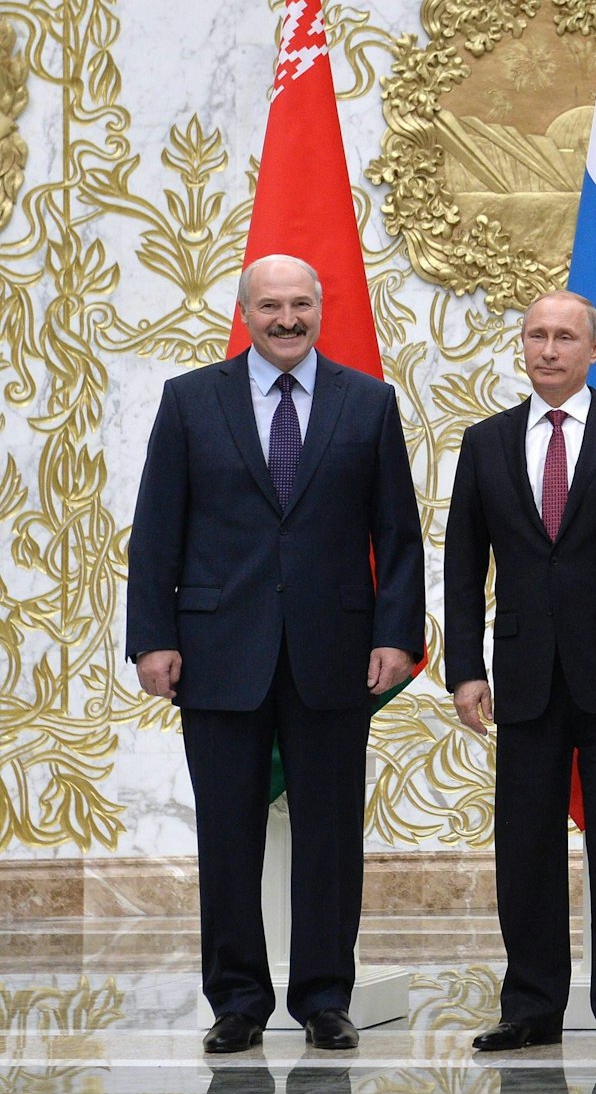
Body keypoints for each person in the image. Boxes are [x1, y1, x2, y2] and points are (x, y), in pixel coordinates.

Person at [125, 254, 425, 1055]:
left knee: (330, 832)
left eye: (299, 305)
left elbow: (396, 535)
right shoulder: (191, 400)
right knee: (227, 833)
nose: (286, 319)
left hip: (334, 652)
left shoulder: (369, 402)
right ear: (245, 312)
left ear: (320, 310)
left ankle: (326, 996)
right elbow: (158, 528)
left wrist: (398, 633)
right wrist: (152, 638)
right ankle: (237, 999)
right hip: (218, 651)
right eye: (270, 306)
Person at [444, 291, 596, 1059]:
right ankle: (531, 1006)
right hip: (522, 675)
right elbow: (462, 564)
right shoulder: (485, 441)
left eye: (564, 337)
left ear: (595, 348)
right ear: (522, 347)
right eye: (536, 336)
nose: (548, 349)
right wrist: (465, 667)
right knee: (523, 848)